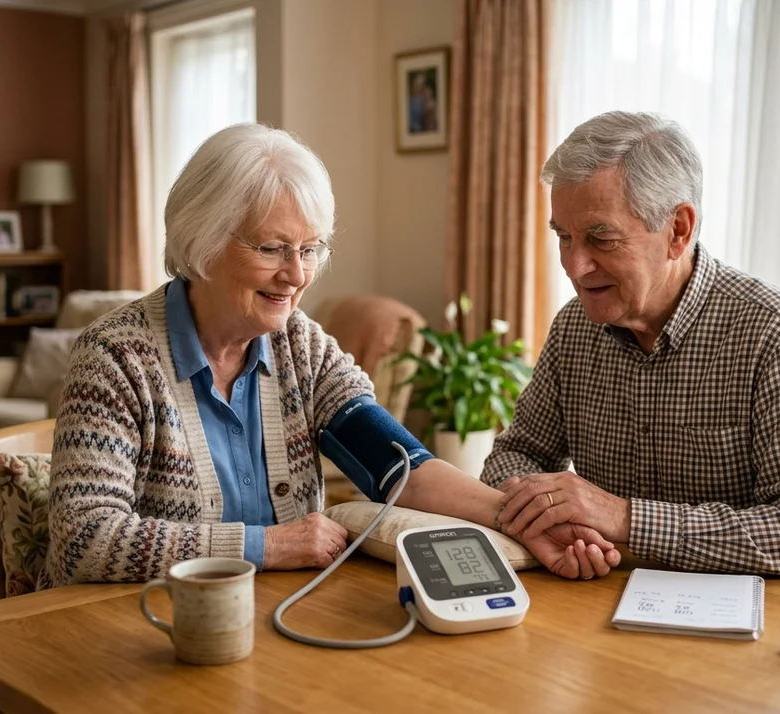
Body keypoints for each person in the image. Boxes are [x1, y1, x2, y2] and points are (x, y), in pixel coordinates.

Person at [40, 123, 622, 589]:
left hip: (272, 621)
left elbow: (401, 466)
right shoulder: (115, 358)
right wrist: (266, 546)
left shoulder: (301, 345)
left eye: (311, 248)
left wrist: (523, 522)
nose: (296, 275)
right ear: (203, 240)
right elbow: (84, 538)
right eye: (272, 248)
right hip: (131, 636)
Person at [489, 110, 780, 585]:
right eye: (563, 236)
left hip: (778, 634)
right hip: (617, 608)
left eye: (601, 238)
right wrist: (557, 515)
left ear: (678, 231)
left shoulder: (777, 332)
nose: (575, 266)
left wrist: (624, 518)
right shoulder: (574, 329)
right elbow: (513, 457)